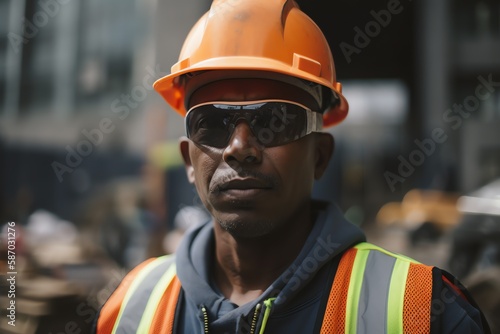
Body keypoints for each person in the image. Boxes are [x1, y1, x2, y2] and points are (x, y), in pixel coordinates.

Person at [93, 0, 491, 333]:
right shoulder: (129, 307)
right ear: (188, 161)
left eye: (274, 121)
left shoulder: (422, 312)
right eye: (212, 123)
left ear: (320, 155)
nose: (239, 147)